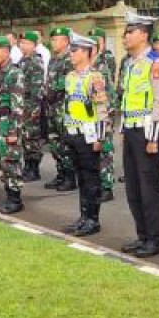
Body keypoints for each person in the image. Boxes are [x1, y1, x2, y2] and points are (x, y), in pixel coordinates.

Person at [117, 10, 159, 259]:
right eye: (126, 31)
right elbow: (127, 99)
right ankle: (142, 236)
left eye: (130, 32)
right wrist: (122, 129)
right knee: (134, 188)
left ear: (144, 35)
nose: (125, 36)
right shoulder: (129, 64)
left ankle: (155, 239)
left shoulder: (155, 63)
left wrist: (153, 138)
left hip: (147, 133)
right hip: (131, 129)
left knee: (149, 188)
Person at [60, 33, 109, 236]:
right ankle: (83, 216)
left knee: (91, 179)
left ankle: (93, 219)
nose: (71, 54)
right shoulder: (70, 77)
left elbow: (101, 109)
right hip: (73, 133)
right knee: (81, 177)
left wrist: (99, 138)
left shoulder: (95, 77)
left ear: (87, 53)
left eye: (75, 51)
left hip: (89, 136)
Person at [0, 36, 27, 213]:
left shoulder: (14, 73)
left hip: (8, 124)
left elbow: (17, 106)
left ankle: (15, 199)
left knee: (11, 162)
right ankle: (8, 194)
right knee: (0, 163)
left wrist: (13, 131)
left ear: (5, 51)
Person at [44, 27, 77, 192]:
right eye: (52, 39)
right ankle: (61, 173)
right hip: (52, 107)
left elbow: (68, 83)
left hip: (63, 107)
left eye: (57, 39)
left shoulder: (69, 59)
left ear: (66, 41)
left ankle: (70, 176)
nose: (53, 43)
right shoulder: (53, 60)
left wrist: (49, 91)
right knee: (54, 142)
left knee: (65, 143)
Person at [89, 27, 117, 201]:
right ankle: (96, 184)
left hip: (103, 113)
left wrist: (106, 115)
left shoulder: (101, 67)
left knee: (104, 150)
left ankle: (107, 187)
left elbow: (107, 94)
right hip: (89, 115)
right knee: (93, 150)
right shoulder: (87, 67)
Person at [15, 33, 46, 182]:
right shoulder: (22, 61)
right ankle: (27, 166)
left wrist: (33, 109)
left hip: (31, 105)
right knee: (24, 138)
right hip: (22, 106)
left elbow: (36, 88)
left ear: (34, 45)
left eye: (26, 43)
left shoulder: (35, 61)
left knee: (32, 137)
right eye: (21, 43)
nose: (23, 45)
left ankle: (33, 168)